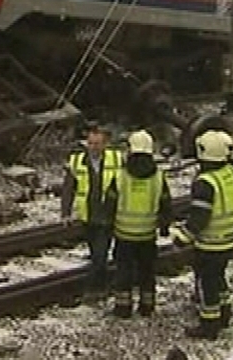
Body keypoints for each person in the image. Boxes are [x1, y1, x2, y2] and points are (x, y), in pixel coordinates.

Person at [170, 129, 233, 340]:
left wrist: (182, 237)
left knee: (206, 282)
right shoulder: (232, 173)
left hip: (211, 244)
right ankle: (225, 311)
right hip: (229, 239)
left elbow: (199, 219)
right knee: (219, 277)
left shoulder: (206, 183)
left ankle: (209, 324)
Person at [106, 129, 173, 318]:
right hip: (147, 234)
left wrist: (108, 226)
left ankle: (123, 308)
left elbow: (110, 203)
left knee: (124, 272)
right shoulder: (158, 177)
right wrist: (165, 227)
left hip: (124, 234)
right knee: (147, 271)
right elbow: (165, 203)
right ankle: (147, 306)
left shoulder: (120, 176)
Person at [61, 123, 123, 295]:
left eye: (97, 144)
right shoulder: (77, 161)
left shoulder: (117, 159)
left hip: (109, 214)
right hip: (88, 215)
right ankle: (103, 283)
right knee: (96, 252)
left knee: (100, 254)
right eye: (90, 144)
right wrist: (65, 213)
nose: (93, 147)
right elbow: (68, 188)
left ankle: (94, 289)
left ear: (105, 144)